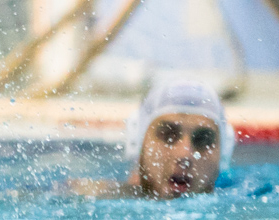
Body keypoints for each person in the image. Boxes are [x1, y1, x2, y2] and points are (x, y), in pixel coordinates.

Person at [66, 79, 234, 199]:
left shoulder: (240, 202)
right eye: (168, 136)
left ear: (224, 153)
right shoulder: (84, 198)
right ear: (137, 142)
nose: (184, 155)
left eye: (203, 141)